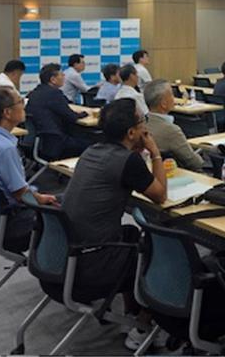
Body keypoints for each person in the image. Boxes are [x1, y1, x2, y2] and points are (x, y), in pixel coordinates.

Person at [62, 98, 167, 350]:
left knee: (130, 233)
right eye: (142, 121)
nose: (145, 127)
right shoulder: (127, 162)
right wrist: (155, 152)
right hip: (93, 261)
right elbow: (160, 194)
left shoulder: (92, 150)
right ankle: (142, 327)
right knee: (155, 249)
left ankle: (130, 311)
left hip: (69, 252)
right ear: (131, 132)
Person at [0, 87, 59, 242]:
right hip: (14, 221)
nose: (24, 105)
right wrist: (39, 198)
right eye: (20, 101)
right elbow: (20, 194)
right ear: (7, 113)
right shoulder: (4, 149)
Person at [25, 64, 91, 159]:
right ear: (53, 79)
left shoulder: (34, 93)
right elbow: (72, 117)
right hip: (54, 143)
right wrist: (85, 113)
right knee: (91, 144)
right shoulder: (54, 94)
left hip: (38, 142)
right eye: (61, 74)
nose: (64, 76)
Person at [144, 79, 205, 171]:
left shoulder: (141, 124)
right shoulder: (171, 131)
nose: (174, 98)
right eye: (172, 94)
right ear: (163, 104)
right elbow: (195, 163)